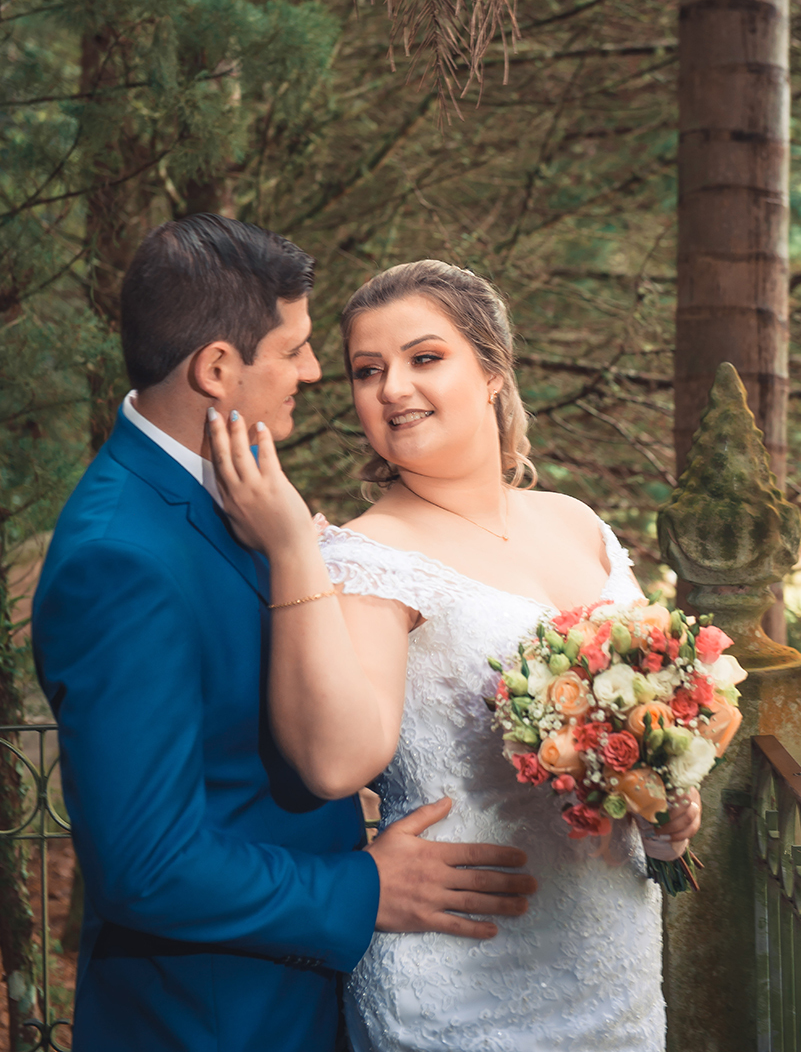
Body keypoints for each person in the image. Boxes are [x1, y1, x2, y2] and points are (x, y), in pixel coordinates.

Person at [31, 222, 536, 1052]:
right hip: (213, 1019)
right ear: (218, 369)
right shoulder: (119, 559)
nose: (313, 372)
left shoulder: (228, 491)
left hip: (301, 1002)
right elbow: (146, 866)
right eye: (296, 349)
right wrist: (362, 890)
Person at [208, 259, 702, 1052]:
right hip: (462, 975)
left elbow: (637, 724)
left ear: (492, 371)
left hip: (613, 960)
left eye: (423, 358)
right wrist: (296, 548)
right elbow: (334, 765)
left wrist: (664, 809)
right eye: (367, 372)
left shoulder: (576, 522)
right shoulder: (365, 555)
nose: (392, 387)